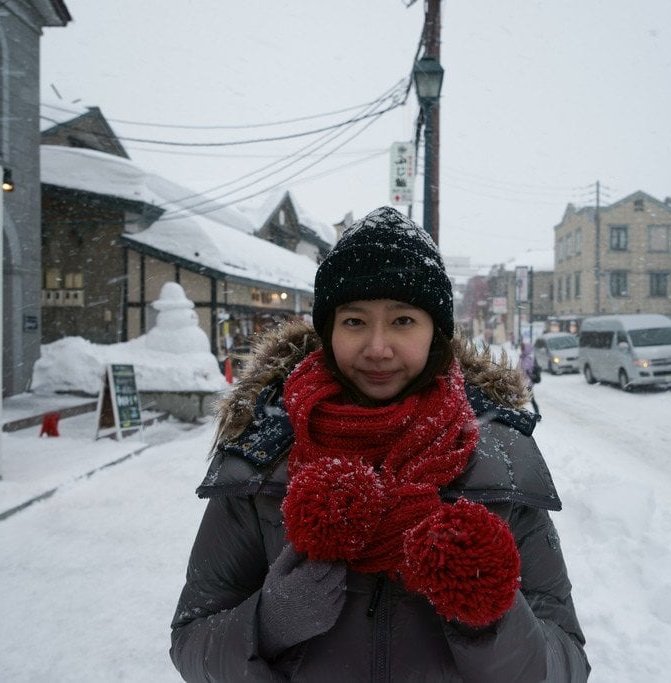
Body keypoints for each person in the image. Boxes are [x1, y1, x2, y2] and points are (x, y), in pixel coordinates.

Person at [170, 207, 589, 682]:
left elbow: (565, 666)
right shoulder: (262, 454)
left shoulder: (500, 462)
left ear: (436, 334)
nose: (377, 347)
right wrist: (267, 622)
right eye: (354, 321)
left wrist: (492, 616)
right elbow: (191, 641)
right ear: (328, 331)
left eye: (403, 321)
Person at [519, 340, 541, 415]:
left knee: (527, 399)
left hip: (527, 384)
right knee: (528, 399)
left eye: (522, 348)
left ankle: (537, 414)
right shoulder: (524, 358)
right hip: (525, 383)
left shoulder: (527, 359)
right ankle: (536, 414)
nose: (521, 349)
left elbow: (525, 372)